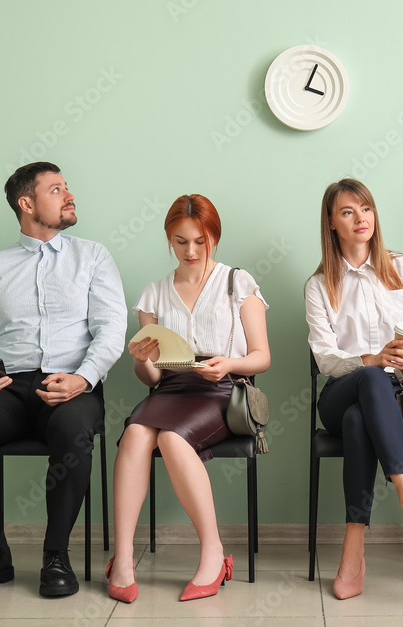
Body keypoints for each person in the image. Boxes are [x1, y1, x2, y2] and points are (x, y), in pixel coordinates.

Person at [0, 161, 127, 597]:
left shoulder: (93, 256)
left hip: (69, 384)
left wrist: (84, 379)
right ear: (27, 203)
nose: (69, 195)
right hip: (6, 389)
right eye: (56, 189)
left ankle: (55, 556)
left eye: (66, 187)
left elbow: (111, 329)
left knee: (74, 429)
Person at [107, 194, 270, 603]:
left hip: (219, 389)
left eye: (200, 240)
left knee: (172, 439)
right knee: (134, 436)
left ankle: (213, 553)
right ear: (169, 239)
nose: (191, 251)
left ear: (214, 236)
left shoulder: (238, 283)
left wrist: (229, 364)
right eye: (181, 242)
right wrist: (142, 361)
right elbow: (152, 376)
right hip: (171, 388)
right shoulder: (154, 294)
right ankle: (123, 557)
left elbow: (262, 357)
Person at [305, 178, 403, 601]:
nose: (359, 218)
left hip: (395, 399)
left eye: (365, 208)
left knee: (358, 419)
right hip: (338, 391)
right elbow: (325, 359)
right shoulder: (319, 285)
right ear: (332, 222)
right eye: (347, 211)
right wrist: (372, 359)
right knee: (366, 380)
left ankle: (353, 549)